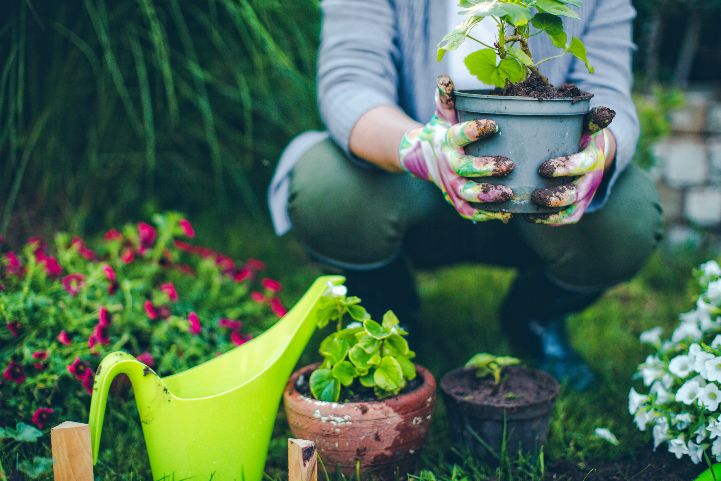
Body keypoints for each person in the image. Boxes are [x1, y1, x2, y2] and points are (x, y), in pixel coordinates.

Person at [268, 0, 664, 390]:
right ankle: (390, 309)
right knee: (327, 188)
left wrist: (600, 153)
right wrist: (421, 149)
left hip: (538, 190)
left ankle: (534, 315)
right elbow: (350, 84)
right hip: (409, 185)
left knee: (628, 215)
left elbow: (609, 92)